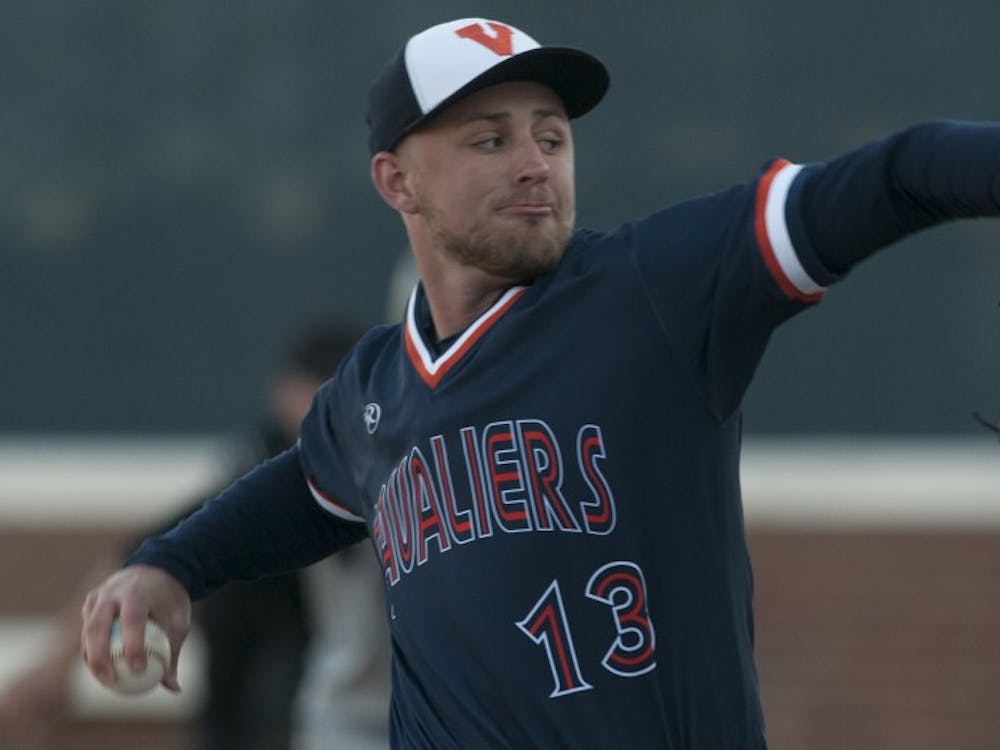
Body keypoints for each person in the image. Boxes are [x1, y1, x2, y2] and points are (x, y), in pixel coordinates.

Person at [79, 17, 1000, 749]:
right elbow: (303, 492)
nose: (535, 163)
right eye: (489, 139)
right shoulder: (372, 386)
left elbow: (899, 174)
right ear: (397, 180)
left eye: (551, 136)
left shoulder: (655, 289)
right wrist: (172, 562)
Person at [1, 318, 390, 750]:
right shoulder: (272, 468)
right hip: (281, 703)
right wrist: (57, 664)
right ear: (286, 395)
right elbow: (152, 556)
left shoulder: (397, 457)